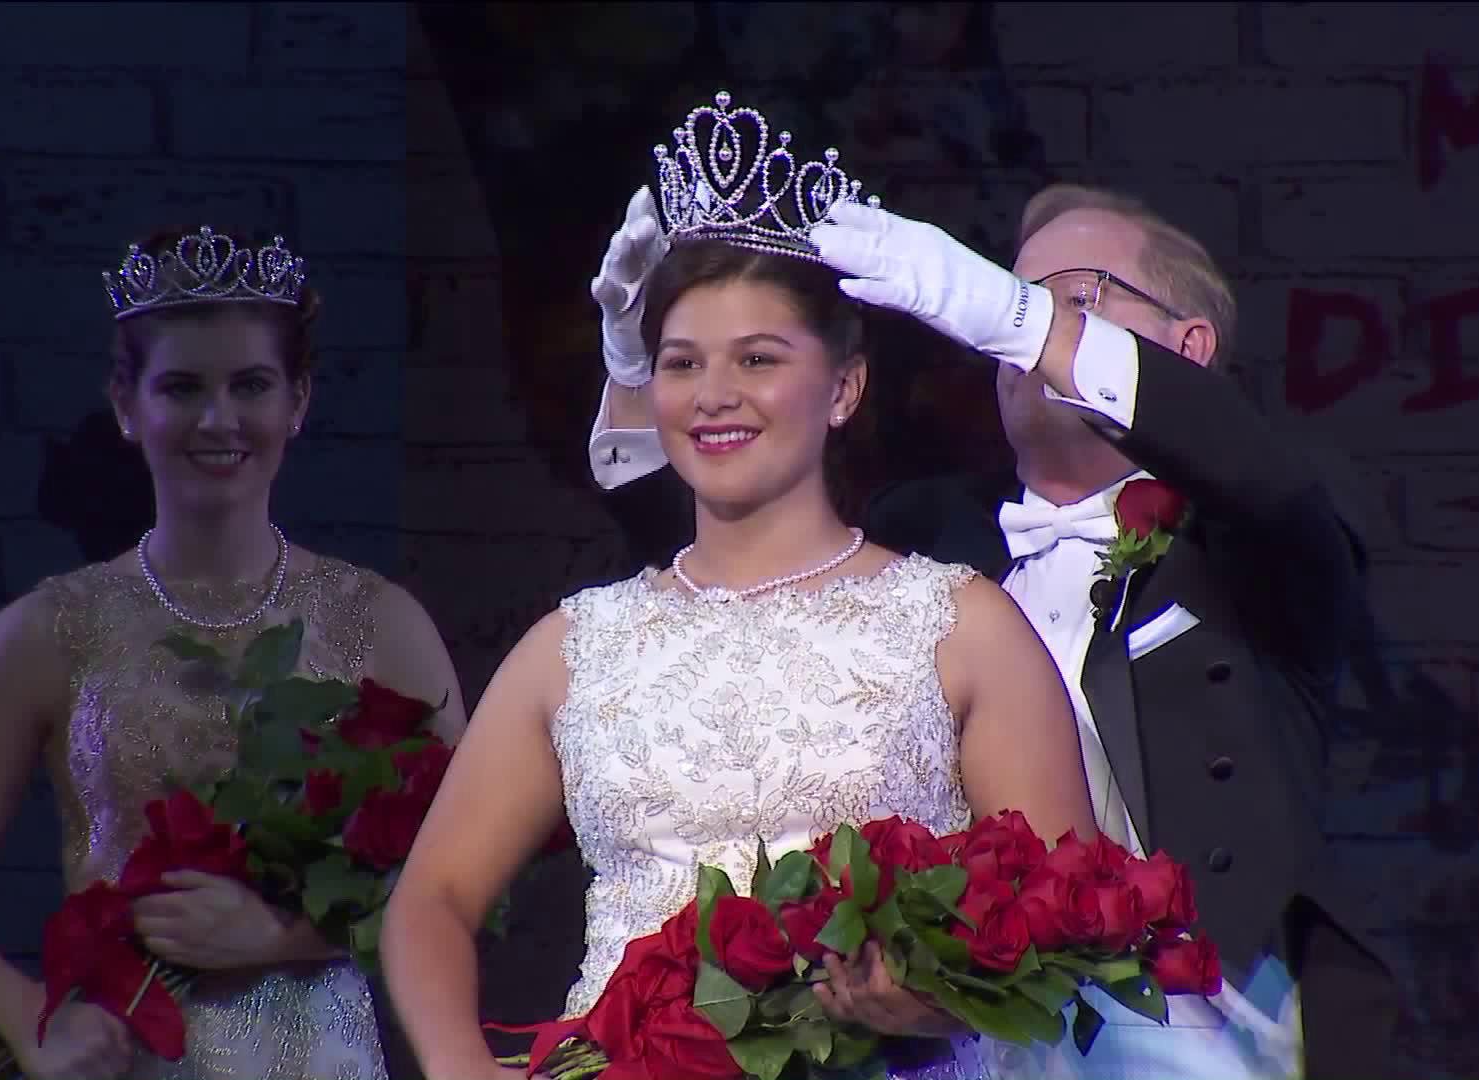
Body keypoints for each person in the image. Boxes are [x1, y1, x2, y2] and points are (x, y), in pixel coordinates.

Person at [586, 183, 1400, 1077]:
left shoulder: (1259, 539)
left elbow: (1263, 478)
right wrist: (637, 375)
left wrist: (1010, 311)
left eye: (1075, 298)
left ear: (1188, 348)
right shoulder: (925, 534)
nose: (1026, 333)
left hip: (1206, 1029)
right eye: (1016, 298)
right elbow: (718, 593)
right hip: (959, 1032)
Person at [381, 94, 1099, 1080]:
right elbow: (431, 901)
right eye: (683, 364)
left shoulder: (961, 627)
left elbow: (1071, 914)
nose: (715, 394)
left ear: (843, 387)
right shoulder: (575, 647)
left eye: (758, 359)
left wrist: (936, 999)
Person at [0, 226, 467, 1080]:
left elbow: (462, 875)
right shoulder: (47, 633)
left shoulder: (382, 622)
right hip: (125, 1056)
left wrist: (283, 935)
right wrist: (27, 1022)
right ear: (128, 404)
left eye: (252, 385)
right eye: (183, 387)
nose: (218, 419)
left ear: (297, 401)